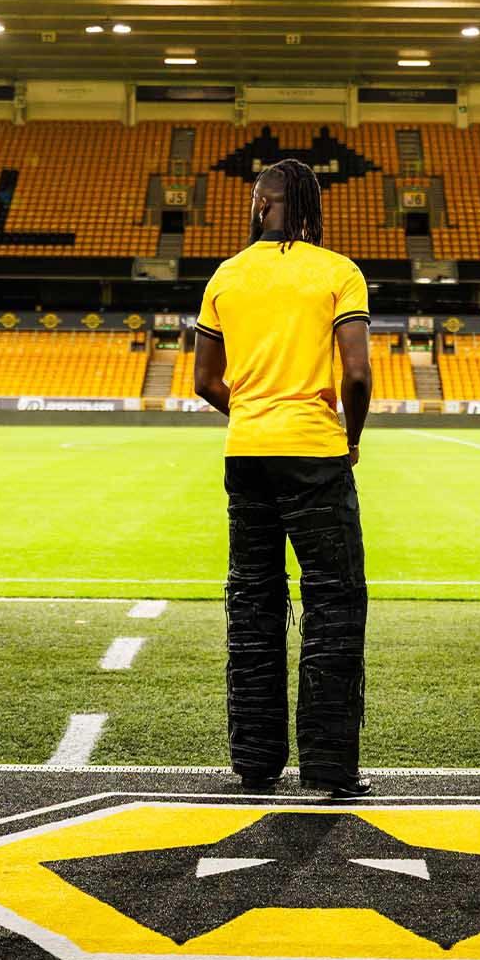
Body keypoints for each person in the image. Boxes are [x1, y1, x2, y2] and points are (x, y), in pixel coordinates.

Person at [193, 157, 374, 799]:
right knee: (333, 602)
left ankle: (255, 763)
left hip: (246, 453)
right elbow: (356, 373)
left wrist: (250, 413)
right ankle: (330, 769)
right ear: (309, 208)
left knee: (252, 601)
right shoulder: (338, 271)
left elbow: (204, 380)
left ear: (260, 204)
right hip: (314, 452)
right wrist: (350, 438)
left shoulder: (226, 275)